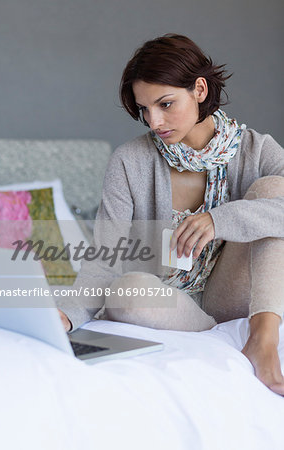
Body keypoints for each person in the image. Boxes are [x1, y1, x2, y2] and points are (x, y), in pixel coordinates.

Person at [58, 34, 284, 396]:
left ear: (198, 89)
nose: (155, 121)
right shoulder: (130, 162)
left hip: (235, 292)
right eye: (144, 109)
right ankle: (211, 333)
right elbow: (104, 258)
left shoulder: (256, 150)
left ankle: (263, 338)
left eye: (165, 104)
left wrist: (219, 219)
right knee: (127, 289)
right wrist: (66, 316)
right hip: (172, 302)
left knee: (273, 191)